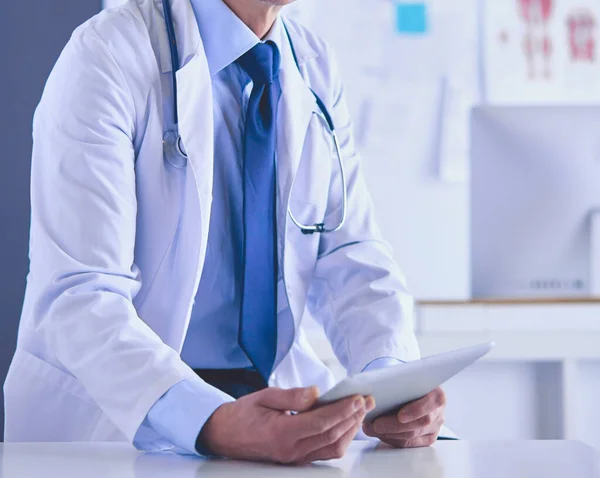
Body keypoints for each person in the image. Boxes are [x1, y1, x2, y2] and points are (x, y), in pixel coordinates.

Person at [3, 0, 446, 464]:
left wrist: (391, 384)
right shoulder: (107, 55)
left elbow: (352, 254)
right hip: (121, 424)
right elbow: (80, 294)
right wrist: (212, 420)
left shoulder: (312, 63)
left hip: (274, 410)